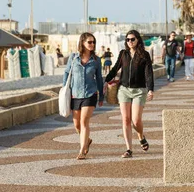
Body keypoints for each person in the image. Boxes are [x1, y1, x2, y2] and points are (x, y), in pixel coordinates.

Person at [105, 30, 154, 158]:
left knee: (136, 120)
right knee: (126, 119)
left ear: (138, 40)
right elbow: (115, 69)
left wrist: (150, 89)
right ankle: (129, 149)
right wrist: (105, 81)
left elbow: (148, 73)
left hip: (139, 91)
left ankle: (141, 136)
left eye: (132, 39)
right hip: (124, 90)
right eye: (127, 40)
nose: (130, 42)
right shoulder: (123, 54)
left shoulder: (144, 55)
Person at [63, 32, 104, 160]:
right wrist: (64, 88)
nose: (92, 44)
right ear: (82, 43)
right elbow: (66, 72)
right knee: (76, 124)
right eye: (89, 42)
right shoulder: (73, 58)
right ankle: (87, 140)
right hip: (75, 94)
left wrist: (101, 96)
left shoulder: (96, 60)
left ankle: (82, 150)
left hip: (90, 93)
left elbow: (99, 79)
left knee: (84, 121)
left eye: (93, 42)